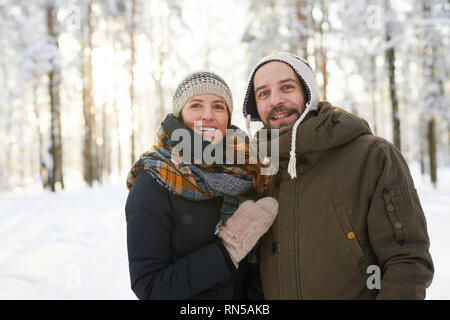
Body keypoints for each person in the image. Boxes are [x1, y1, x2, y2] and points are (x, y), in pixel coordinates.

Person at [242, 51, 434, 299]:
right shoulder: (260, 171)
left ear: (308, 93)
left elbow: (408, 261)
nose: (275, 100)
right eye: (263, 93)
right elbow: (257, 275)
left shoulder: (373, 157)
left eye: (286, 87)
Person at [125, 71, 278, 300]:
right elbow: (150, 287)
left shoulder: (248, 172)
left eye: (218, 106)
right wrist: (228, 250)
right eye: (196, 105)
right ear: (179, 114)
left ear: (228, 117)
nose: (208, 115)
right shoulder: (154, 181)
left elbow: (255, 274)